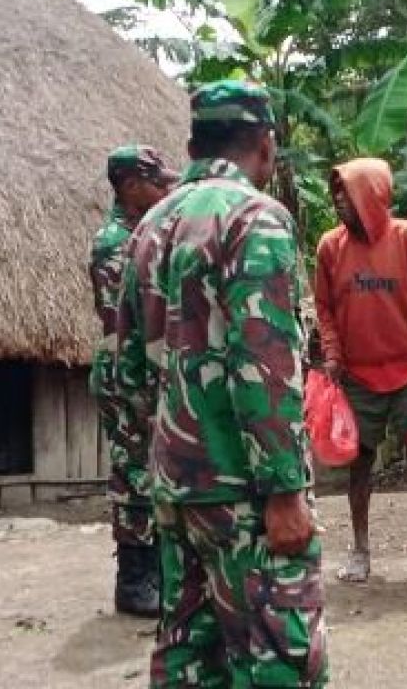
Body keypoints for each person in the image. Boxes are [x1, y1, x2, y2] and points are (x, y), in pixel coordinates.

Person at [115, 80, 327, 688]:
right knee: (278, 660)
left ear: (195, 141)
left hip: (175, 487)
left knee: (188, 657)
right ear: (265, 143)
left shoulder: (150, 226)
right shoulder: (254, 218)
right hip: (246, 494)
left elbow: (126, 368)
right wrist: (285, 488)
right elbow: (267, 362)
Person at [314, 157, 407, 585]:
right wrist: (333, 354)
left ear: (373, 195)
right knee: (358, 463)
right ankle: (360, 551)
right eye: (336, 193)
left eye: (348, 192)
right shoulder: (329, 247)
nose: (340, 200)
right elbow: (324, 308)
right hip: (358, 377)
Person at [88, 144, 178, 618]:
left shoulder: (141, 234)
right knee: (132, 475)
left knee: (151, 470)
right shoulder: (114, 242)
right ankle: (134, 580)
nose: (164, 187)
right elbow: (130, 318)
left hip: (142, 369)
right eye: (153, 180)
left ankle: (157, 574)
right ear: (128, 186)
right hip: (126, 372)